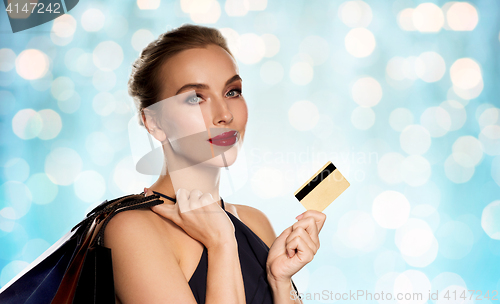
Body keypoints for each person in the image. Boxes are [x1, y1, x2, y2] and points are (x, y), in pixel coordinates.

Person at [103, 23, 327, 304]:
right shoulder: (131, 229)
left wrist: (280, 283)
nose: (224, 115)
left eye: (232, 92)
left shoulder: (254, 222)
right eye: (196, 97)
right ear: (154, 122)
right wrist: (221, 245)